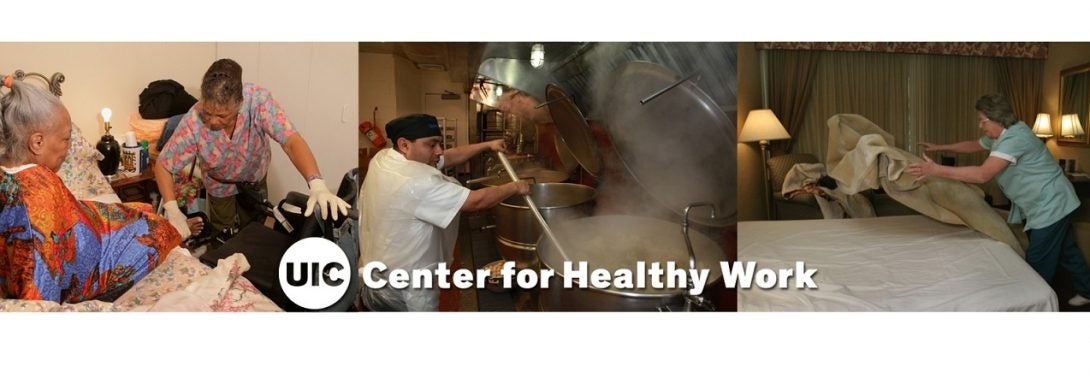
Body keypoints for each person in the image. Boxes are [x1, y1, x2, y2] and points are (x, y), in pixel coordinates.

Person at [0, 78, 181, 303]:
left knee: (135, 211)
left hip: (81, 220)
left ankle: (145, 215)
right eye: (66, 140)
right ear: (37, 143)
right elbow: (40, 288)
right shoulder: (38, 194)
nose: (67, 149)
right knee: (157, 232)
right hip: (88, 254)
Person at [906, 94, 1090, 307]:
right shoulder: (1001, 135)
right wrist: (940, 148)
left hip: (1052, 203)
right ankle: (1086, 290)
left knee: (1038, 261)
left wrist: (936, 170)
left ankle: (1032, 307)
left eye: (983, 120)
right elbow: (973, 145)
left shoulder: (1016, 138)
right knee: (1068, 252)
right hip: (1045, 203)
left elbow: (983, 174)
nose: (980, 125)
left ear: (998, 118)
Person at [154, 58, 350, 240]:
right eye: (208, 113)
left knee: (256, 224)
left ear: (240, 103)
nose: (213, 121)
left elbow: (290, 140)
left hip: (253, 176)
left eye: (222, 115)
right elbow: (163, 165)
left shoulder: (258, 101)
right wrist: (172, 209)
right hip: (218, 182)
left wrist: (317, 184)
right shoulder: (193, 121)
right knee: (223, 232)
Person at [358, 113, 530, 311]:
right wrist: (516, 187)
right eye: (432, 145)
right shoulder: (417, 183)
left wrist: (488, 145)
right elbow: (476, 201)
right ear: (404, 144)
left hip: (375, 273)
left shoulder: (385, 159)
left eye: (439, 143)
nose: (439, 151)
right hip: (407, 290)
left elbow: (449, 157)